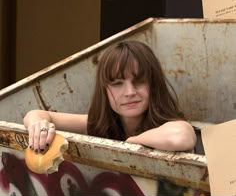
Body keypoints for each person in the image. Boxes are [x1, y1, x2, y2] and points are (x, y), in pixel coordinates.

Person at [24, 41, 196, 153]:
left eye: (139, 81)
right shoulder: (99, 123)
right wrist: (37, 125)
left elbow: (180, 136)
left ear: (153, 84)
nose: (129, 92)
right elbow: (35, 114)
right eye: (117, 83)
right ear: (105, 89)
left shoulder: (169, 124)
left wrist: (130, 143)